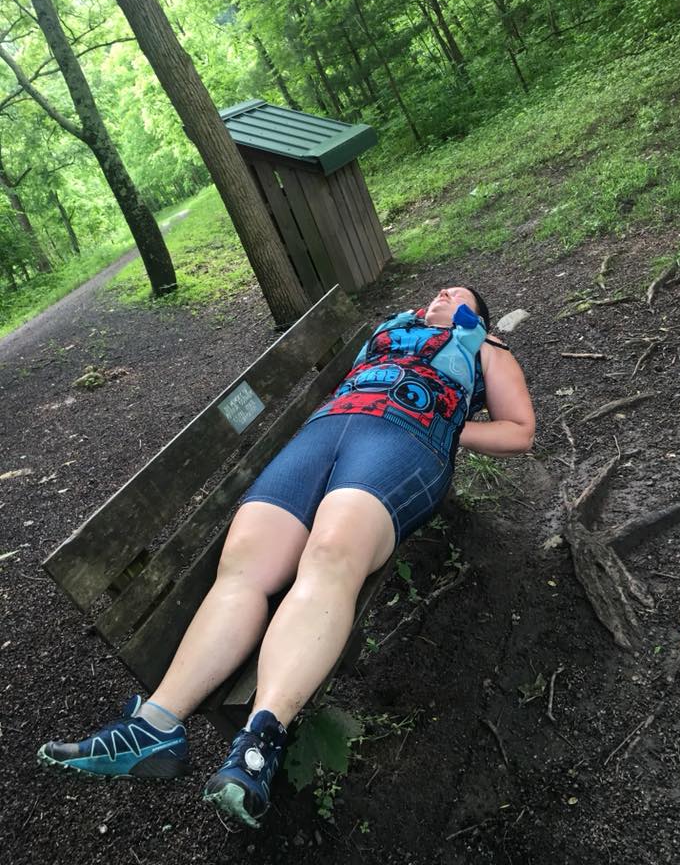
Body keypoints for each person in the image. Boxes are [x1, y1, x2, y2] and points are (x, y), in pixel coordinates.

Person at [37, 285, 535, 828]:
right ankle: (157, 724)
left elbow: (520, 430)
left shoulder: (487, 347)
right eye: (441, 289)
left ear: (479, 316)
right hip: (321, 434)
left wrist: (451, 421)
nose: (445, 292)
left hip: (406, 442)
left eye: (460, 293)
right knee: (243, 567)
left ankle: (259, 741)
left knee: (329, 554)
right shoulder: (390, 330)